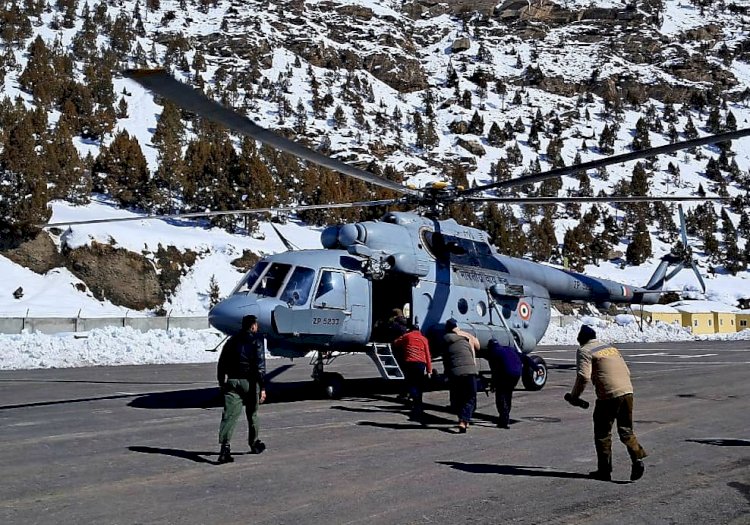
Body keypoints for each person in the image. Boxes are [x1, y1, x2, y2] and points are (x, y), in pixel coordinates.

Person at [568, 324, 648, 481]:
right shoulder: (610, 348)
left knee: (603, 433)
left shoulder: (584, 350)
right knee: (626, 430)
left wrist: (574, 396)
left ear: (581, 340)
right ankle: (637, 458)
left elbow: (583, 376)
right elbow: (627, 370)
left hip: (609, 396)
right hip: (627, 391)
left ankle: (604, 471)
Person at [216, 314, 267, 464]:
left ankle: (225, 448)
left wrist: (221, 382)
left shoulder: (231, 341)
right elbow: (260, 367)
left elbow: (221, 363)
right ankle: (254, 443)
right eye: (256, 325)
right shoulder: (256, 341)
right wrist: (262, 387)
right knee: (252, 414)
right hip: (250, 383)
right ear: (252, 326)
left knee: (229, 416)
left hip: (232, 382)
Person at [442, 318, 480, 433]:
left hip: (455, 373)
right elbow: (476, 348)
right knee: (470, 397)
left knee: (458, 397)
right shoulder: (466, 338)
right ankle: (464, 420)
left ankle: (463, 419)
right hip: (470, 371)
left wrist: (447, 374)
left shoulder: (446, 342)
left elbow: (446, 361)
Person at [392, 322, 432, 418]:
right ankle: (418, 403)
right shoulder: (424, 339)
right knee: (419, 385)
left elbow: (396, 343)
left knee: (411, 384)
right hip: (421, 364)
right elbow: (428, 355)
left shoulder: (407, 336)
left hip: (410, 363)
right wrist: (429, 370)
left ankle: (416, 402)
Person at [484, 338, 522, 429]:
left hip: (506, 375)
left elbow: (495, 371)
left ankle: (504, 420)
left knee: (501, 397)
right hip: (516, 374)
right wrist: (536, 368)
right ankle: (506, 416)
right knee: (508, 395)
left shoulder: (493, 353)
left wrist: (493, 385)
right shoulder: (508, 349)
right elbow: (524, 357)